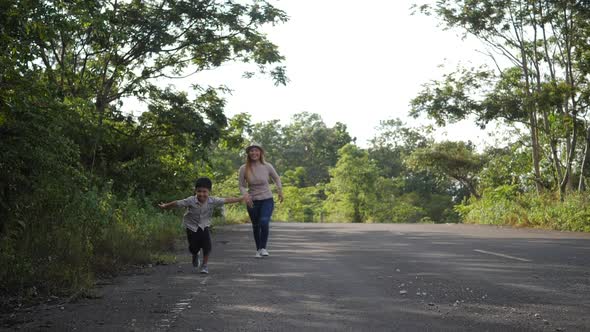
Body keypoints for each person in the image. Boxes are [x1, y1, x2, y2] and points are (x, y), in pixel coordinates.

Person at [159, 177, 243, 274]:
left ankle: (204, 265)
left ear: (209, 192)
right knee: (193, 247)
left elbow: (227, 200)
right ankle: (195, 254)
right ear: (195, 191)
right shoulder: (190, 200)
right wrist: (166, 206)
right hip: (191, 226)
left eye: (204, 192)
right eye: (199, 191)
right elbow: (177, 203)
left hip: (204, 226)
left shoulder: (213, 200)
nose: (202, 194)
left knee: (207, 245)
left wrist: (240, 198)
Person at [238, 143, 284, 258]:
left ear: (260, 153)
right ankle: (258, 249)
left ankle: (263, 248)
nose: (254, 153)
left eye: (256, 151)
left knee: (264, 221)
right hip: (252, 200)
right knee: (256, 225)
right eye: (251, 151)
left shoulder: (267, 166)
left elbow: (276, 178)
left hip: (267, 199)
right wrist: (246, 195)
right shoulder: (244, 168)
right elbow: (242, 185)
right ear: (248, 153)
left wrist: (279, 190)